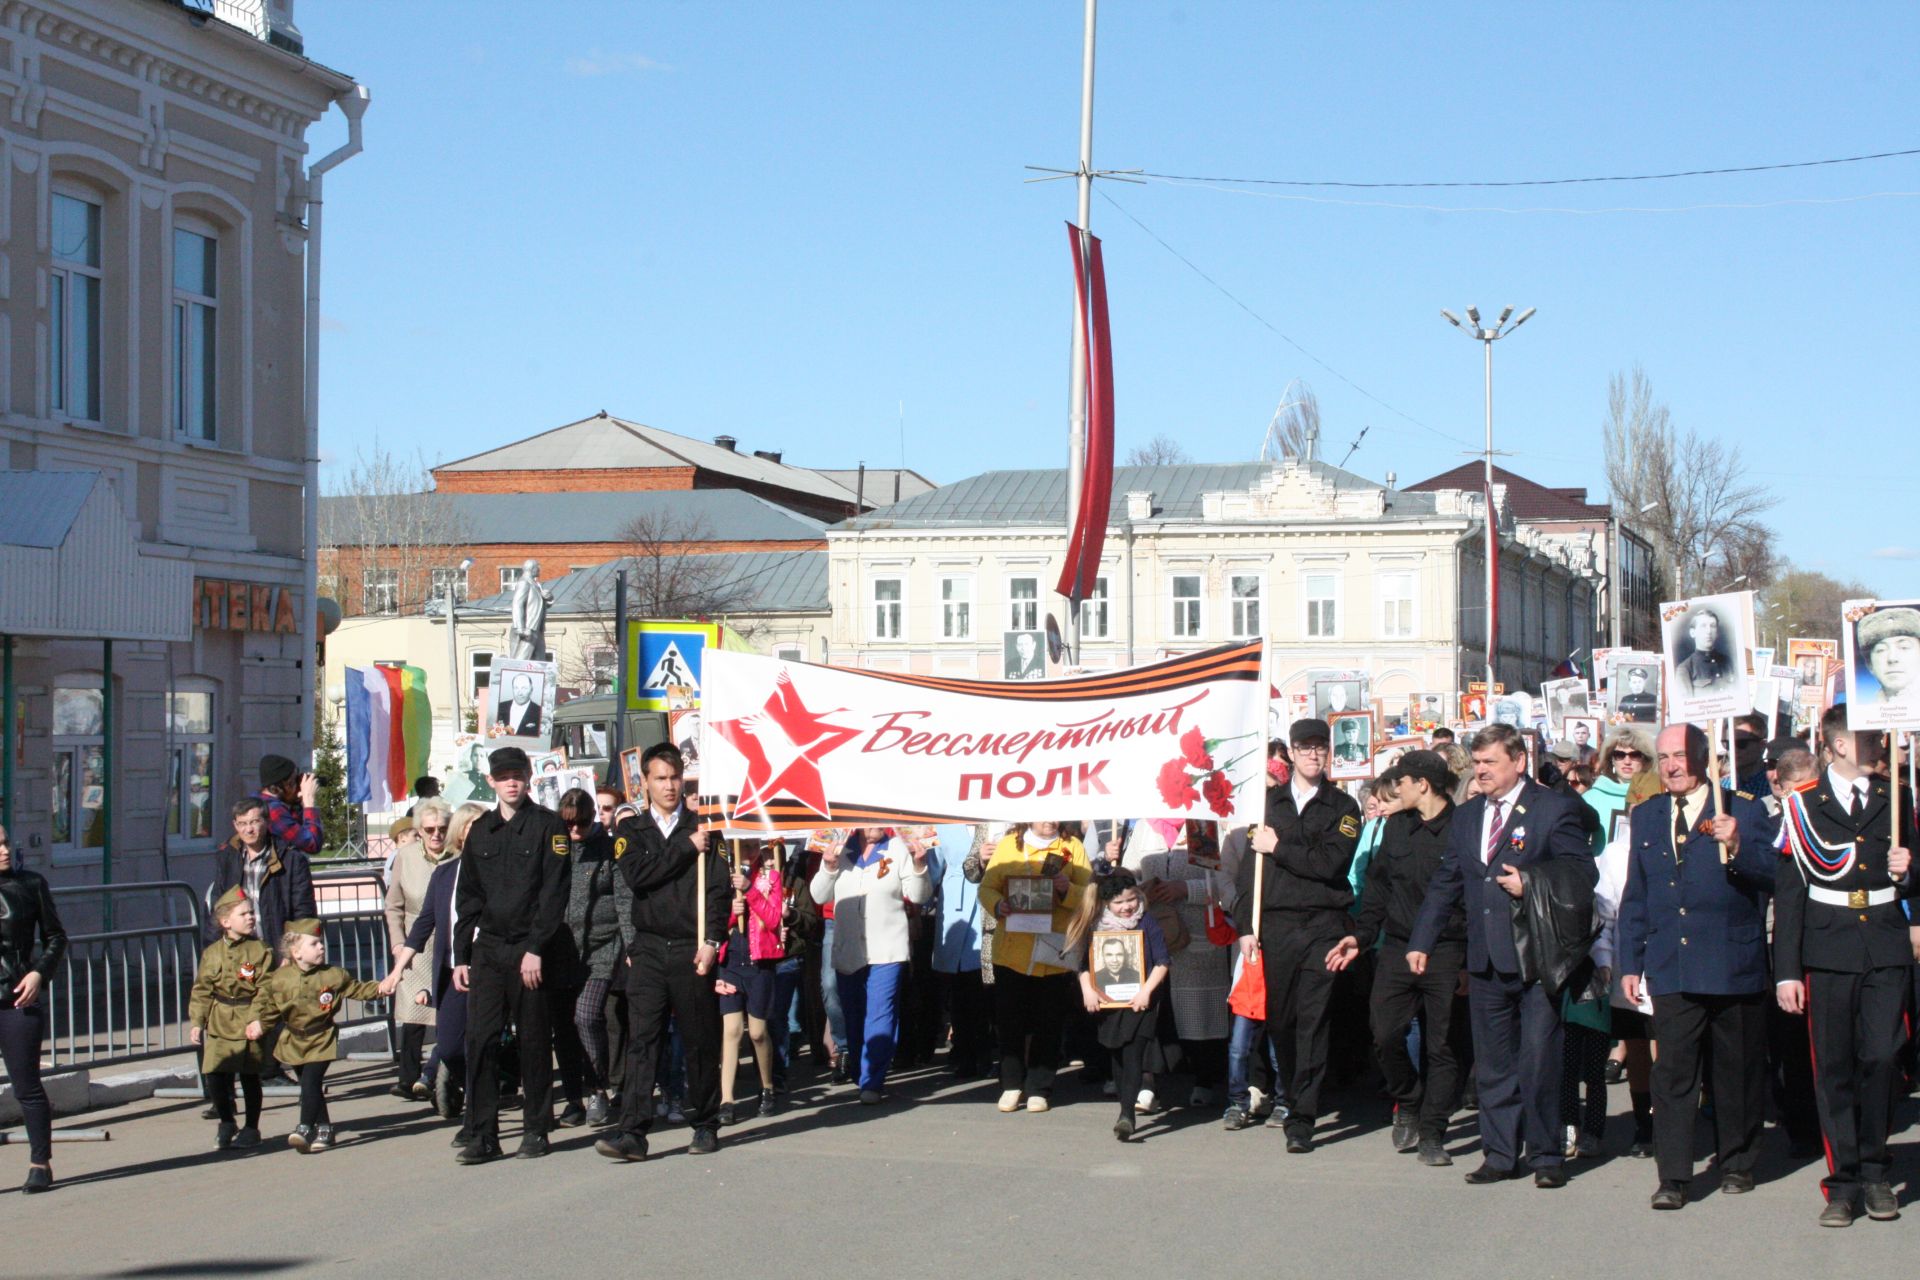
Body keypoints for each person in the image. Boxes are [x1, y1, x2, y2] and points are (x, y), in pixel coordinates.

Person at [1408, 722, 1596, 1188]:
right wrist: (1421, 941)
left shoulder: (1554, 809)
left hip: (1535, 957)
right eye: (1477, 762)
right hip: (1486, 958)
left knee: (1538, 1060)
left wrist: (1531, 882)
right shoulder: (1469, 816)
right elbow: (1448, 880)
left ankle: (1547, 1155)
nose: (1481, 770)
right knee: (1493, 1066)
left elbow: (1580, 874)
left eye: (1491, 762)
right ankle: (1499, 1153)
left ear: (1519, 762)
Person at [1617, 725, 1777, 1209]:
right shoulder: (1646, 816)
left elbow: (1776, 875)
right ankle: (1674, 1177)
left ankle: (1737, 1162)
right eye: (1664, 757)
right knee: (1673, 1075)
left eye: (1682, 756)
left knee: (1737, 1072)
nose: (1672, 765)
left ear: (1706, 759)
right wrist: (1631, 961)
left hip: (1733, 961)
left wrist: (1740, 846)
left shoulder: (1743, 808)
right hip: (1674, 963)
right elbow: (1636, 894)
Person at [1773, 707, 1920, 1226]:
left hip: (1883, 943)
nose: (1879, 742)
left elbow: (1918, 873)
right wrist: (1786, 971)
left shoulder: (1895, 798)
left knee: (1882, 1056)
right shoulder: (1804, 806)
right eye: (1867, 735)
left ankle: (1877, 1170)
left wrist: (1910, 870)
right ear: (1836, 745)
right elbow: (1790, 895)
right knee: (1832, 1067)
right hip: (1828, 946)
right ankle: (1844, 1183)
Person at [1233, 717, 1362, 1154]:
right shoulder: (1267, 805)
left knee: (1312, 1020)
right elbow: (1251, 869)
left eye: (1319, 747)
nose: (1312, 754)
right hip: (1277, 924)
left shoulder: (1343, 807)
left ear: (1328, 752)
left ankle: (1301, 1115)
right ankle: (1292, 1087)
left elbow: (1330, 865)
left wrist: (1280, 848)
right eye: (1304, 747)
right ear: (1289, 752)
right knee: (1282, 1022)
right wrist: (1246, 927)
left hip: (1323, 925)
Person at [1327, 751, 1461, 1166]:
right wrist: (1361, 938)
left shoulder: (1463, 827)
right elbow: (1378, 890)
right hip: (1398, 947)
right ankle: (1409, 1099)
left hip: (1448, 948)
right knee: (1384, 1033)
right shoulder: (1395, 828)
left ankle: (1433, 1132)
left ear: (1422, 784)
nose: (1392, 790)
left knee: (1442, 1046)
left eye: (1400, 782)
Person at [597, 744, 729, 1163]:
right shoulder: (631, 831)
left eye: (675, 778)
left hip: (693, 948)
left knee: (699, 1039)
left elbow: (718, 892)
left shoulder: (706, 827)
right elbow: (639, 876)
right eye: (660, 778)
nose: (669, 786)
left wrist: (712, 942)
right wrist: (685, 848)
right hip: (650, 947)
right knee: (643, 1040)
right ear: (646, 782)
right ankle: (633, 1132)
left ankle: (705, 1123)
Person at [451, 746, 572, 1163]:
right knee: (480, 1040)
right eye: (503, 776)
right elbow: (467, 896)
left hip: (529, 948)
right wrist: (461, 955)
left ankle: (536, 1128)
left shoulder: (548, 826)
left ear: (529, 776)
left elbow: (553, 894)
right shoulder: (481, 830)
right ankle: (483, 1134)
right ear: (492, 781)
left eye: (517, 774)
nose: (511, 782)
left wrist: (537, 948)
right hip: (489, 950)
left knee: (533, 1041)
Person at [386, 801, 488, 1141]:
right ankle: (470, 1097)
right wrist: (396, 969)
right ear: (459, 833)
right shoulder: (445, 875)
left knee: (479, 1044)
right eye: (468, 827)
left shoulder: (498, 871)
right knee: (450, 1046)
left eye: (481, 826)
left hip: (488, 970)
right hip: (448, 971)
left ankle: (476, 1119)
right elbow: (423, 924)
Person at [812, 826, 934, 1105]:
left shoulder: (898, 847)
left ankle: (873, 1079)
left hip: (887, 947)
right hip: (849, 949)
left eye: (879, 820)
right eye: (868, 820)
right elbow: (819, 896)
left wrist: (919, 865)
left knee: (880, 1014)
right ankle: (860, 1070)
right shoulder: (839, 845)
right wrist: (829, 867)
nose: (874, 825)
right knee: (853, 1015)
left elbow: (918, 895)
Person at [978, 819, 1092, 1113]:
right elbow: (987, 888)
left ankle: (1040, 1086)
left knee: (1049, 1022)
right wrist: (999, 905)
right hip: (1011, 952)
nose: (1049, 821)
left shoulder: (1073, 847)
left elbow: (1089, 895)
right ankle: (1011, 1084)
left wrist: (1068, 889)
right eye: (1043, 815)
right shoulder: (1008, 844)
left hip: (1053, 953)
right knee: (1010, 1021)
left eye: (1055, 815)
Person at [254, 918, 383, 1153]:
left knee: (311, 1083)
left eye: (321, 943)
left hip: (322, 1038)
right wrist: (260, 1025)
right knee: (309, 1085)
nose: (321, 947)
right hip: (294, 1040)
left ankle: (304, 1127)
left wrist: (381, 988)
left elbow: (357, 989)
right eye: (314, 944)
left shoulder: (333, 975)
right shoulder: (280, 979)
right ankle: (324, 1128)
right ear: (296, 953)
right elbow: (272, 1008)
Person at [1068, 870, 1171, 1142]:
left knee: (1134, 1054)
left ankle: (1127, 1115)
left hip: (1142, 1002)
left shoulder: (1146, 921)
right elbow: (1081, 966)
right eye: (1119, 903)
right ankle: (1125, 1105)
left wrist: (1146, 991)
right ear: (1105, 904)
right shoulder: (1096, 925)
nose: (1127, 907)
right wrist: (1087, 990)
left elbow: (1162, 961)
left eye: (1131, 900)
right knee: (1116, 1055)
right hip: (1109, 1004)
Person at [553, 787, 627, 1129]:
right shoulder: (555, 849)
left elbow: (624, 899)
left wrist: (630, 944)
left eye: (581, 823)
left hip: (602, 945)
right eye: (569, 825)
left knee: (587, 1016)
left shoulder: (608, 848)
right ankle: (572, 1097)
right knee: (564, 1027)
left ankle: (599, 1088)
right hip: (563, 948)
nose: (575, 831)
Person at [0, 823, 68, 1193]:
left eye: (6, 841)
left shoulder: (30, 885)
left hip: (16, 997)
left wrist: (39, 974)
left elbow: (56, 936)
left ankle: (39, 1163)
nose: (4, 850)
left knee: (26, 1084)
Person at [190, 887, 274, 1151]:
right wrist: (196, 1021)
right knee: (215, 1073)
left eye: (251, 913)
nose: (251, 918)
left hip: (249, 1018)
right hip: (220, 1020)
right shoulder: (212, 953)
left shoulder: (259, 950)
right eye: (244, 914)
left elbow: (265, 988)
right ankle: (227, 1121)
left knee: (249, 1076)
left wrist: (257, 1019)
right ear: (226, 922)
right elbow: (202, 988)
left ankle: (251, 1127)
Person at [383, 798, 453, 1102]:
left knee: (446, 1013)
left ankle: (441, 1075)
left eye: (442, 829)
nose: (436, 835)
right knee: (413, 1012)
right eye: (429, 829)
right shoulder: (406, 856)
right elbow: (393, 905)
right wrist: (397, 942)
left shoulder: (457, 855)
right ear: (419, 831)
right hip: (415, 943)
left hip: (449, 940)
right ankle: (408, 1076)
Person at [718, 841, 791, 1121]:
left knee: (758, 1033)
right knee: (732, 1030)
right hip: (731, 961)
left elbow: (773, 919)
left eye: (750, 844)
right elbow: (710, 921)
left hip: (760, 962)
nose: (746, 849)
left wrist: (749, 891)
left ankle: (767, 1086)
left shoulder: (770, 877)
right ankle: (727, 1099)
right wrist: (729, 913)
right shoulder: (722, 877)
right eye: (740, 844)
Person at [206, 797, 316, 949]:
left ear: (267, 822)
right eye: (242, 824)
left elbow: (303, 913)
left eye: (254, 822)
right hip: (240, 951)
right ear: (235, 825)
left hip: (277, 950)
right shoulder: (227, 858)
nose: (248, 829)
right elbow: (219, 907)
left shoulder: (291, 859)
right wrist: (214, 949)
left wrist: (293, 952)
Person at [930, 825, 990, 1079]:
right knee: (960, 989)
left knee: (985, 988)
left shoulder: (995, 823)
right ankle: (963, 1052)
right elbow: (931, 870)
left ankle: (986, 1053)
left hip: (989, 902)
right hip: (956, 905)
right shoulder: (944, 825)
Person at [255, 753, 322, 855]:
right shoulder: (273, 810)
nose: (297, 785)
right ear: (281, 786)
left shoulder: (257, 800)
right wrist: (309, 802)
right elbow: (312, 845)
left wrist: (298, 802)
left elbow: (299, 831)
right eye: (293, 781)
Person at [1857, 605, 1920, 709]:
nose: (1892, 658)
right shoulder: (1864, 713)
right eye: (1881, 650)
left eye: (1904, 647)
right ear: (1869, 665)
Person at [1674, 607, 1734, 697]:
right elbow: (1685, 707)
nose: (1709, 631)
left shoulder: (1728, 662)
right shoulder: (1684, 669)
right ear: (1692, 633)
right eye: (1703, 626)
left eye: (1712, 626)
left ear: (1717, 633)